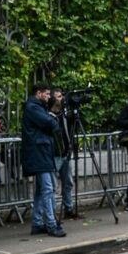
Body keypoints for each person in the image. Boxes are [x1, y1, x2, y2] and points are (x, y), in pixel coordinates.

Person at [22, 83, 66, 237]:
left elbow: (50, 123)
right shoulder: (33, 107)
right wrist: (52, 120)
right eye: (47, 94)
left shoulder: (37, 107)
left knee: (42, 190)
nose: (49, 97)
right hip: (39, 151)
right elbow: (50, 123)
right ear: (39, 93)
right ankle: (51, 224)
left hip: (41, 151)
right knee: (48, 189)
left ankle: (37, 223)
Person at [49, 88, 79, 219]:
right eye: (59, 97)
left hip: (66, 152)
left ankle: (69, 208)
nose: (62, 99)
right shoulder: (48, 115)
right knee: (52, 185)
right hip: (55, 154)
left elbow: (74, 127)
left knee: (68, 182)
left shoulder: (65, 114)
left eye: (62, 96)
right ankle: (52, 212)